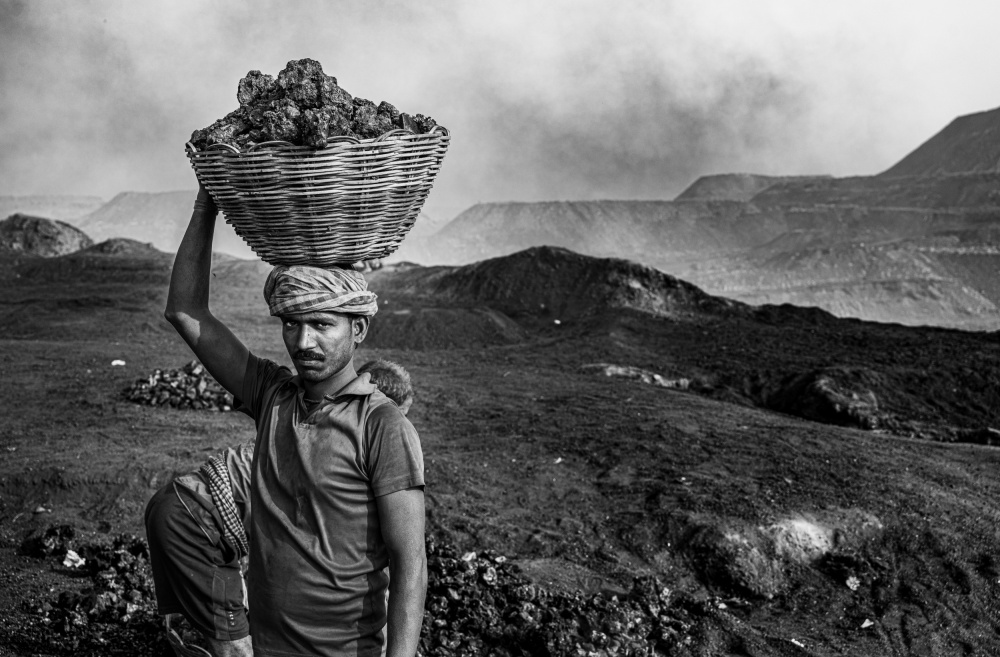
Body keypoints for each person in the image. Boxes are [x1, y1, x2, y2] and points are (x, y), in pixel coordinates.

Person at [159, 184, 426, 657]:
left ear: (357, 328)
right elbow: (185, 311)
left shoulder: (382, 426)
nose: (303, 342)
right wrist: (207, 205)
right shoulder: (273, 396)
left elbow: (410, 564)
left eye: (322, 324)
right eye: (291, 323)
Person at [144, 359, 416, 657]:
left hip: (183, 504)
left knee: (231, 619)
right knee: (236, 647)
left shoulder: (310, 435)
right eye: (395, 418)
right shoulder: (337, 458)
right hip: (192, 521)